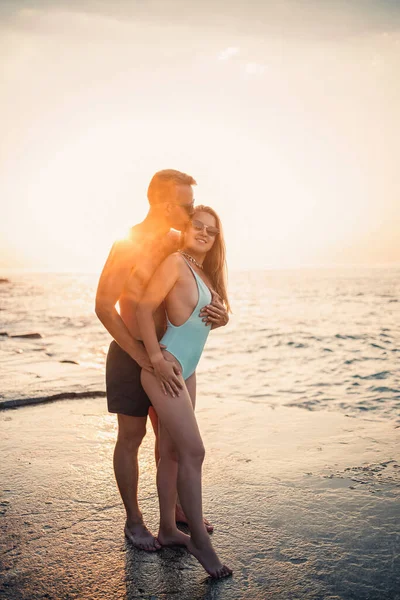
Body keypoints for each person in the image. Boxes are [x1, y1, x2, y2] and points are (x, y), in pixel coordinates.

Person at [95, 170, 229, 552]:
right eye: (187, 206)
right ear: (167, 205)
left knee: (169, 440)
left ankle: (174, 514)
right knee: (131, 438)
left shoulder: (178, 243)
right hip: (131, 353)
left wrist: (218, 317)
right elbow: (103, 307)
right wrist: (143, 356)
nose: (191, 213)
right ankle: (134, 522)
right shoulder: (129, 244)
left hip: (168, 355)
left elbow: (193, 297)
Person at [137, 205, 233, 578]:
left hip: (188, 369)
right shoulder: (176, 262)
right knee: (195, 450)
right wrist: (155, 359)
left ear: (216, 240)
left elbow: (201, 322)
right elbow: (145, 307)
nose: (204, 233)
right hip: (168, 367)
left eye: (212, 230)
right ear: (187, 228)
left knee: (172, 451)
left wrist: (223, 318)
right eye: (198, 226)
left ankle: (167, 528)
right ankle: (199, 543)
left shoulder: (203, 273)